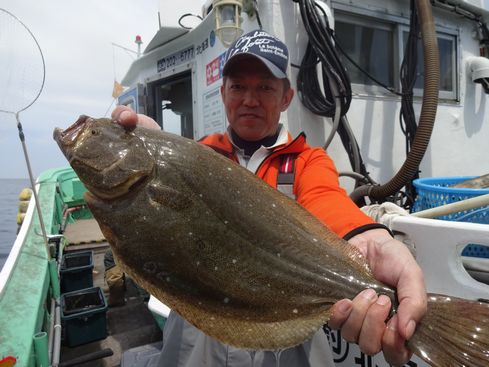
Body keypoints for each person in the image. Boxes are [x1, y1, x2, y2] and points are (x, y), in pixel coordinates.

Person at [112, 29, 427, 367]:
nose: (250, 99)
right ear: (223, 93)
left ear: (286, 97)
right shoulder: (197, 156)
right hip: (199, 334)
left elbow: (326, 200)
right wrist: (149, 150)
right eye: (238, 87)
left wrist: (367, 237)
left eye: (264, 87)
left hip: (283, 343)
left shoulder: (309, 161)